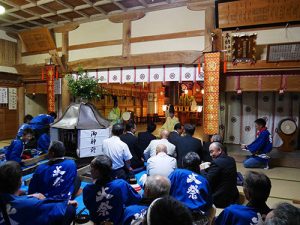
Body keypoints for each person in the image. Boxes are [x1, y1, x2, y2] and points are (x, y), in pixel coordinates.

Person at [0, 161, 77, 225]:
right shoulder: (31, 203)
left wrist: (29, 196)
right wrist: (66, 203)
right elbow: (63, 208)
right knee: (70, 209)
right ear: (19, 182)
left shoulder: (41, 169)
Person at [83, 155, 141, 225]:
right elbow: (136, 199)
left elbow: (88, 206)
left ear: (97, 171)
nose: (90, 170)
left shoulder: (88, 189)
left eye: (91, 167)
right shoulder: (121, 184)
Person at [201, 142, 239, 208]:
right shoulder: (231, 159)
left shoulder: (217, 163)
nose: (210, 154)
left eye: (212, 152)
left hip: (220, 200)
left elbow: (206, 181)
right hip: (233, 196)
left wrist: (202, 170)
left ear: (219, 150)